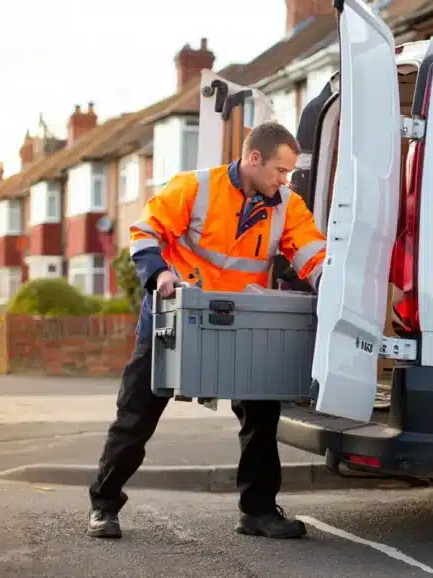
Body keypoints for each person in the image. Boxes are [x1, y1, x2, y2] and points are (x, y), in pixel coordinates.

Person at [86, 121, 326, 540]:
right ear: (254, 158)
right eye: (280, 171)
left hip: (239, 322)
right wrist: (159, 274)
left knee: (261, 415)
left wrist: (332, 285)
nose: (285, 180)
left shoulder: (286, 205)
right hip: (176, 317)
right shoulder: (194, 187)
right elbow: (146, 231)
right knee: (137, 414)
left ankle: (258, 511)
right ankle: (104, 506)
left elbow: (311, 251)